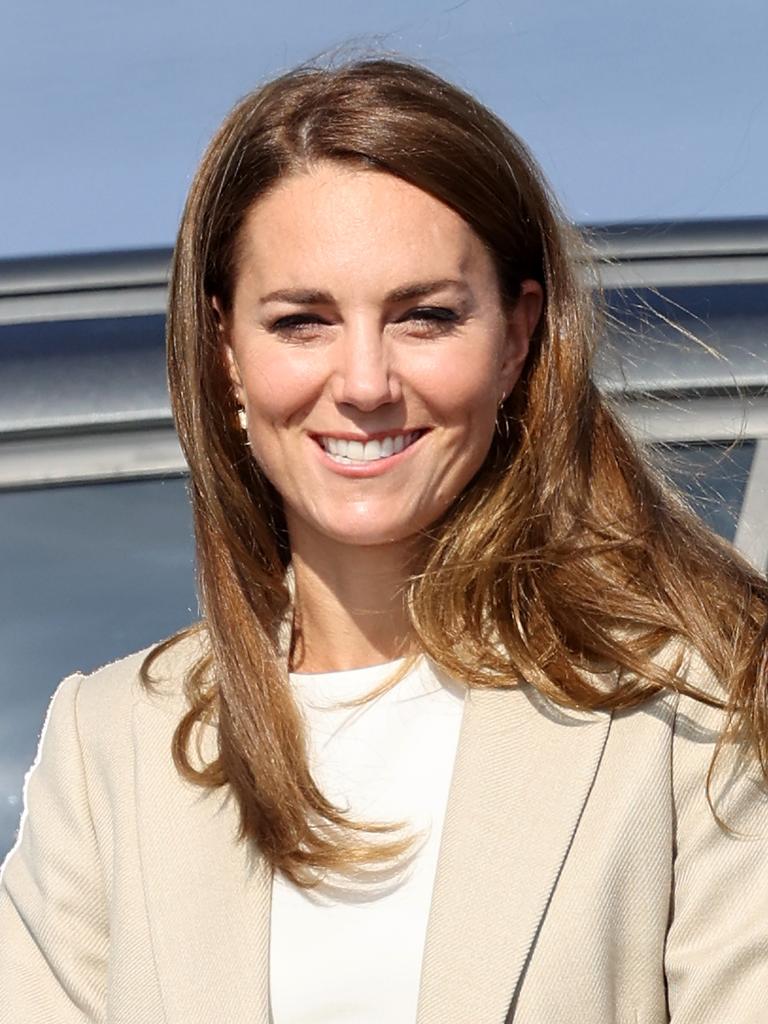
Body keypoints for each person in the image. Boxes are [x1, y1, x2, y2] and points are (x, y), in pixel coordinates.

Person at [1, 55, 767, 1024]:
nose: (365, 382)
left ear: (517, 336)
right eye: (303, 321)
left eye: (425, 316)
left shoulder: (691, 706)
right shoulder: (113, 743)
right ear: (227, 350)